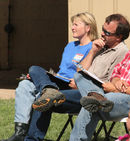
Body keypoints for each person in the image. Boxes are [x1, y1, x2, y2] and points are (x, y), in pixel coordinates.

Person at [24, 13, 130, 141]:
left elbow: (110, 83)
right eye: (102, 29)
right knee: (35, 70)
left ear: (118, 37)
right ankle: (48, 89)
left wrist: (83, 83)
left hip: (92, 95)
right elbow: (79, 71)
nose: (102, 34)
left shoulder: (122, 52)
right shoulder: (100, 46)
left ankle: (31, 139)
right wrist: (92, 51)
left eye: (107, 33)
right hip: (75, 87)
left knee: (46, 99)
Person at [1, 12, 98, 141]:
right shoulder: (70, 46)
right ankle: (20, 133)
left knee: (35, 72)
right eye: (72, 24)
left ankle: (47, 90)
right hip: (58, 82)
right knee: (27, 81)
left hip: (70, 86)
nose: (72, 27)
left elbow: (86, 72)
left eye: (76, 24)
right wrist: (47, 76)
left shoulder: (93, 47)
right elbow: (62, 71)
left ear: (88, 27)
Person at [69, 17, 130, 141]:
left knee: (92, 104)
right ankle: (97, 98)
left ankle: (96, 99)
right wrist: (116, 81)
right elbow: (116, 72)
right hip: (111, 95)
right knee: (79, 76)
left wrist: (116, 89)